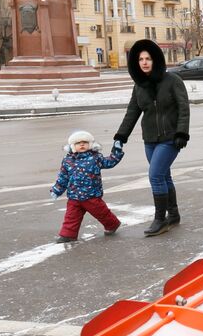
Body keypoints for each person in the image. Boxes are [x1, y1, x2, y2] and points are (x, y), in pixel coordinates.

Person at [114, 39, 189, 237]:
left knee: (155, 175)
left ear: (155, 60)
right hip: (150, 139)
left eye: (148, 58)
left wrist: (182, 132)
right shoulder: (140, 85)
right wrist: (121, 136)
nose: (144, 62)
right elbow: (132, 112)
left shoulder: (173, 81)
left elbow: (183, 108)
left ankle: (160, 219)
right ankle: (173, 214)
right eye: (140, 59)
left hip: (171, 138)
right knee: (164, 176)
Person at [50, 130, 123, 243]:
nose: (82, 144)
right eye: (78, 143)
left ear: (91, 145)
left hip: (91, 195)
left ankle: (112, 224)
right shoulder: (68, 160)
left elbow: (110, 162)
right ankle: (68, 235)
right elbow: (63, 177)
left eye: (85, 142)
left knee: (102, 213)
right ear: (73, 146)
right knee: (71, 216)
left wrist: (117, 150)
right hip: (74, 196)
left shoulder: (96, 158)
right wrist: (57, 190)